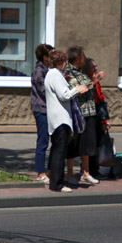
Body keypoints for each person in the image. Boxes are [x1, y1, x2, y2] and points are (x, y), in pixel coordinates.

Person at [45, 50, 84, 193]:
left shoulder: (52, 74)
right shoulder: (55, 74)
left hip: (56, 119)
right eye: (65, 62)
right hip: (60, 119)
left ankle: (55, 183)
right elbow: (64, 95)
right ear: (61, 62)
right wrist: (77, 89)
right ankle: (57, 184)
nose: (65, 65)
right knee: (59, 153)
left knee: (57, 151)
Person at [64, 46, 101, 185]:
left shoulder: (81, 71)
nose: (85, 58)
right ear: (78, 58)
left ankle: (85, 172)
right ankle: (70, 173)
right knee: (73, 144)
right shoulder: (68, 71)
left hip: (89, 111)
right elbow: (78, 89)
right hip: (78, 113)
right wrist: (93, 82)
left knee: (87, 143)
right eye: (83, 56)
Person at [30, 44, 54, 183]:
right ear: (45, 57)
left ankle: (49, 170)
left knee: (48, 140)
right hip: (42, 109)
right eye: (50, 55)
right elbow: (44, 91)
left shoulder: (47, 70)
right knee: (42, 141)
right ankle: (40, 172)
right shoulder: (40, 71)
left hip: (47, 109)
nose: (52, 58)